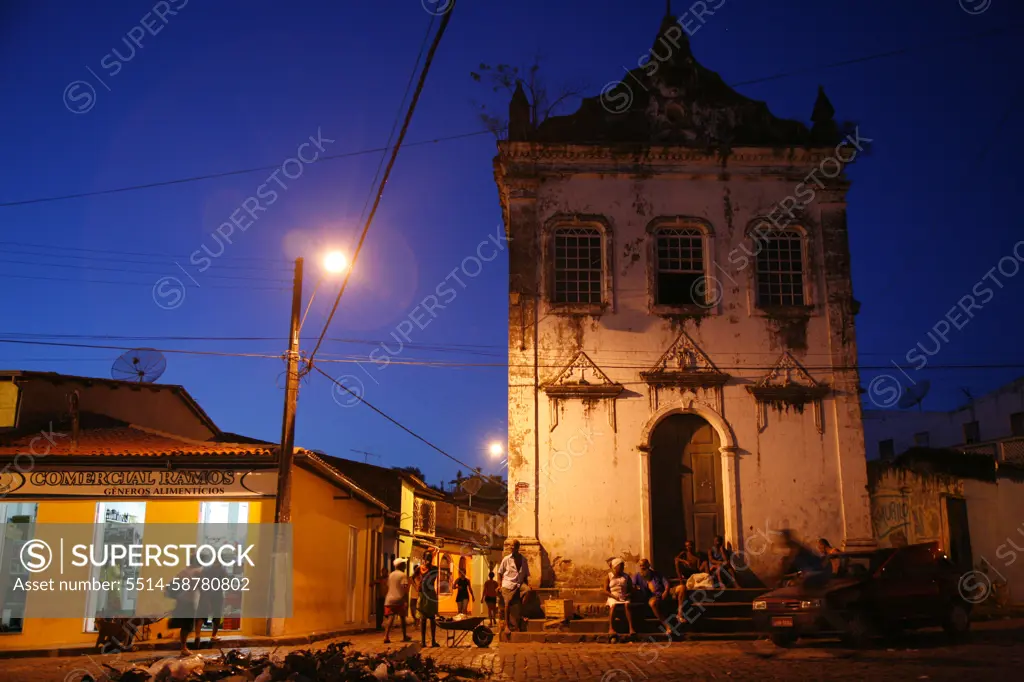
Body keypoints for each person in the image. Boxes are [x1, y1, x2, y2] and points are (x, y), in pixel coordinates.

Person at [167, 561, 202, 655]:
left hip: (181, 600)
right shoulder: (197, 572)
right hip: (189, 602)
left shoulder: (183, 571)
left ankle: (183, 645)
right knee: (188, 626)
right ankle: (183, 647)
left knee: (186, 625)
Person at [497, 540, 530, 640]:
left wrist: (528, 585)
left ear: (518, 547)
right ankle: (507, 625)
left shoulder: (523, 560)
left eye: (513, 546)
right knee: (508, 602)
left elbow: (526, 575)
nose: (511, 547)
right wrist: (499, 585)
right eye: (510, 546)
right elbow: (499, 573)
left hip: (519, 584)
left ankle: (521, 614)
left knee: (528, 591)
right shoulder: (506, 559)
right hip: (508, 584)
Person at [194, 560, 227, 649]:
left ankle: (197, 635)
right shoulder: (223, 570)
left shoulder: (206, 569)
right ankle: (213, 635)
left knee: (201, 614)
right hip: (217, 594)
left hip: (205, 593)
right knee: (216, 614)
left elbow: (199, 578)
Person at [633, 558, 671, 634]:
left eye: (644, 565)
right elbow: (633, 586)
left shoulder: (656, 574)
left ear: (648, 565)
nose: (642, 567)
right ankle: (667, 626)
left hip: (661, 595)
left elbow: (666, 583)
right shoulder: (637, 576)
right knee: (652, 603)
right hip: (649, 597)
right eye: (640, 566)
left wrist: (666, 591)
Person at [673, 540, 708, 619]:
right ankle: (681, 581)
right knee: (677, 562)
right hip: (686, 572)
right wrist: (685, 561)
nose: (689, 547)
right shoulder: (684, 553)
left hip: (694, 573)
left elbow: (698, 568)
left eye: (690, 546)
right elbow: (676, 559)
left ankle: (708, 581)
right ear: (686, 547)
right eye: (687, 546)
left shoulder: (697, 556)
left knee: (705, 563)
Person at [604, 558, 637, 637]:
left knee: (627, 605)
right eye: (620, 566)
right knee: (613, 605)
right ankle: (611, 628)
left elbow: (631, 589)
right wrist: (613, 596)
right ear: (615, 567)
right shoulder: (608, 576)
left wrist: (628, 595)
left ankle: (631, 628)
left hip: (623, 596)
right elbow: (605, 590)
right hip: (613, 596)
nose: (622, 568)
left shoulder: (626, 576)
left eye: (622, 566)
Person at [383, 558, 412, 644]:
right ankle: (404, 636)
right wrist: (406, 600)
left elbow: (387, 586)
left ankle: (386, 636)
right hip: (399, 599)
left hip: (389, 599)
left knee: (390, 618)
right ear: (400, 565)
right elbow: (405, 588)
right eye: (404, 564)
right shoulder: (403, 575)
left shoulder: (391, 575)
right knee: (402, 618)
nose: (406, 565)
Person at [417, 551, 440, 647]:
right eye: (427, 558)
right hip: (423, 594)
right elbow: (413, 577)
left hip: (430, 594)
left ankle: (433, 640)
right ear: (424, 558)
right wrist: (417, 585)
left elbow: (432, 578)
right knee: (423, 619)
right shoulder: (420, 568)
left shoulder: (434, 568)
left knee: (432, 618)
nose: (428, 560)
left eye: (430, 558)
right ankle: (423, 641)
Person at [408, 562, 420, 628]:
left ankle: (417, 622)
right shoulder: (412, 577)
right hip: (413, 596)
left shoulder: (421, 577)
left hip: (419, 596)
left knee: (417, 610)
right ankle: (416, 621)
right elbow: (409, 586)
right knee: (412, 610)